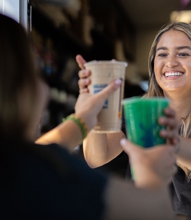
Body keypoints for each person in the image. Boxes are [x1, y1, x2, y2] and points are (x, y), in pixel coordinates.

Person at [0, 13, 176, 220]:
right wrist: (151, 174)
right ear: (19, 89)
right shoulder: (42, 173)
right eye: (37, 73)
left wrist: (83, 120)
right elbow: (153, 211)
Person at [77, 21, 191, 217]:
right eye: (162, 54)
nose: (171, 62)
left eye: (183, 53)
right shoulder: (134, 114)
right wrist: (93, 110)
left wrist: (168, 138)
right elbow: (96, 158)